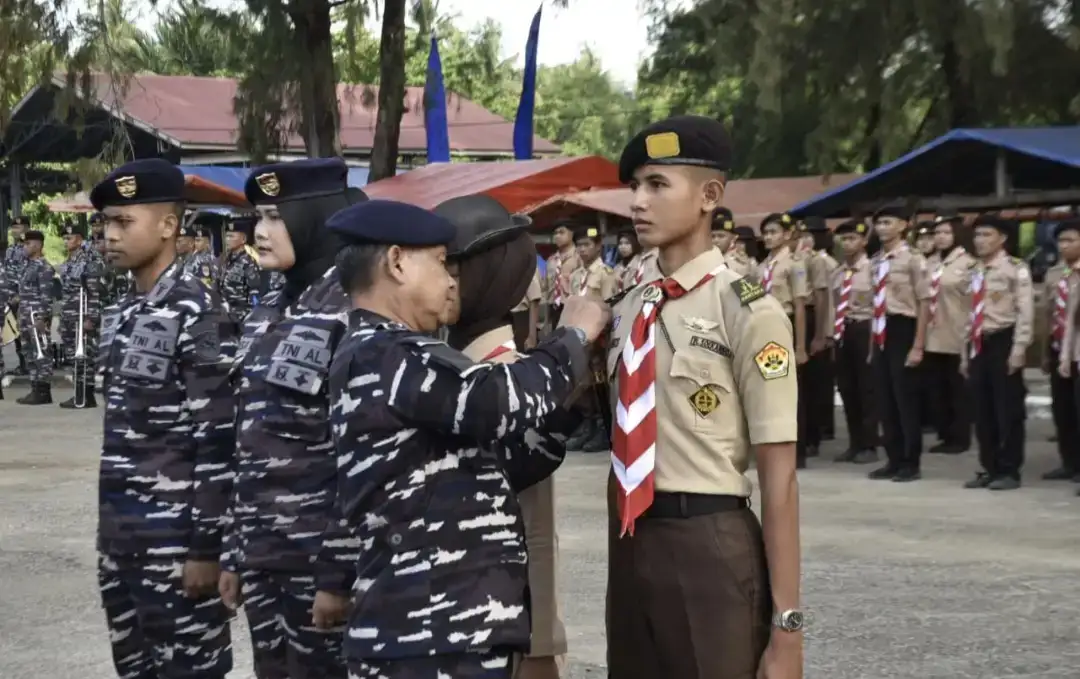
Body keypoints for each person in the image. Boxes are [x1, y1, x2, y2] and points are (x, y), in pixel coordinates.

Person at [314, 197, 606, 679]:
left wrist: (571, 407)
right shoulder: (389, 354)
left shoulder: (379, 353)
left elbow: (489, 460)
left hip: (440, 631)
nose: (452, 281)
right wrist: (573, 335)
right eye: (442, 263)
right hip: (429, 637)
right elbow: (493, 401)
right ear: (397, 262)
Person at [606, 115, 803, 679]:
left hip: (708, 542)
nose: (638, 202)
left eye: (657, 185)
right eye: (635, 186)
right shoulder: (629, 306)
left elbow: (780, 478)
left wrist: (787, 629)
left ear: (709, 196)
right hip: (630, 537)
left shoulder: (747, 310)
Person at [91, 158, 235, 679]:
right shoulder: (122, 314)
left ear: (169, 226)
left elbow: (218, 439)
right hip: (122, 540)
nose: (108, 235)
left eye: (123, 223)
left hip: (177, 547)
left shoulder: (199, 311)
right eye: (105, 223)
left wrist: (206, 548)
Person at [219, 158, 361, 679]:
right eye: (258, 216)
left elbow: (362, 456)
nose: (260, 231)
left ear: (316, 218)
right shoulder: (267, 311)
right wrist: (236, 553)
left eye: (276, 217)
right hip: (265, 560)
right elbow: (248, 442)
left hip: (320, 565)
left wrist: (337, 574)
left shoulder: (353, 311)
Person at [435, 194, 571, 679]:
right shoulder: (444, 370)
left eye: (449, 265)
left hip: (504, 637)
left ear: (485, 274)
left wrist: (538, 648)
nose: (438, 280)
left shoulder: (514, 380)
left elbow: (536, 531)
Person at [961, 214, 1033, 491]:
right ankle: (989, 466)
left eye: (986, 235)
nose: (980, 241)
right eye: (977, 235)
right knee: (982, 408)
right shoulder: (975, 270)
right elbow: (968, 314)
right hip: (979, 341)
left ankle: (1009, 469)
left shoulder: (1016, 268)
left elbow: (1024, 312)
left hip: (1004, 338)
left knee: (1008, 408)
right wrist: (964, 354)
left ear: (1002, 238)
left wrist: (1019, 348)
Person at [867, 204, 930, 482]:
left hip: (904, 327)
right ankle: (893, 458)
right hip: (881, 330)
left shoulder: (913, 259)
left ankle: (910, 462)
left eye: (888, 222)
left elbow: (925, 301)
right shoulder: (877, 260)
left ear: (904, 225)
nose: (882, 228)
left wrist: (918, 344)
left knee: (905, 399)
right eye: (879, 223)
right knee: (885, 399)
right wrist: (872, 347)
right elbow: (874, 305)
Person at [759, 212, 811, 467]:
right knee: (769, 389)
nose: (768, 237)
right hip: (763, 330)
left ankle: (796, 451)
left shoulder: (794, 264)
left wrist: (800, 346)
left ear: (787, 235)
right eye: (766, 233)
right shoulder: (762, 266)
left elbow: (800, 305)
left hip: (785, 326)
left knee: (788, 391)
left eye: (774, 232)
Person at [923, 214, 975, 454]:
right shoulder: (929, 262)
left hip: (957, 332)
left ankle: (960, 437)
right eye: (937, 233)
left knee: (958, 390)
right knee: (937, 389)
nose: (940, 237)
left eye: (946, 232)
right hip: (931, 333)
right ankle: (944, 433)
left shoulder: (968, 263)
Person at [831, 219, 879, 463]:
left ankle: (869, 444)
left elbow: (879, 305)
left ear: (864, 241)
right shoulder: (839, 272)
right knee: (847, 388)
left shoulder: (872, 269)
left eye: (852, 238)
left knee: (867, 388)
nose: (848, 243)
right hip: (843, 331)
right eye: (844, 239)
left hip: (864, 328)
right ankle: (855, 442)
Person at [568, 226, 618, 452]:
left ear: (598, 246)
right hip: (578, 335)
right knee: (581, 382)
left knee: (598, 382)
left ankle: (602, 427)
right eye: (579, 245)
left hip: (597, 337)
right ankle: (587, 424)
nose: (582, 249)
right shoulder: (577, 275)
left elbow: (610, 306)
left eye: (587, 245)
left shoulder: (605, 273)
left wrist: (603, 337)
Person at [801, 216, 838, 451]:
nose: (805, 240)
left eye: (809, 235)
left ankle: (814, 433)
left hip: (809, 318)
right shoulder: (774, 264)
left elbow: (824, 297)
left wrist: (823, 333)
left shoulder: (820, 262)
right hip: (779, 322)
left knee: (813, 383)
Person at [58, 220, 104, 409]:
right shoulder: (69, 260)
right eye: (64, 238)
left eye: (69, 238)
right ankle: (79, 392)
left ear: (79, 239)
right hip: (69, 314)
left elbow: (94, 292)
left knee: (86, 355)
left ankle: (87, 393)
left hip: (82, 314)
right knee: (72, 355)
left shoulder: (90, 261)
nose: (65, 241)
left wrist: (91, 318)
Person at [15, 229, 57, 405]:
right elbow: (23, 293)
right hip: (25, 315)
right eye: (24, 244)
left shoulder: (44, 267)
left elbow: (46, 295)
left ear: (38, 245)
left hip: (36, 316)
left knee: (42, 353)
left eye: (28, 243)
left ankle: (43, 390)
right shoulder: (27, 266)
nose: (25, 247)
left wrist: (43, 317)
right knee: (30, 353)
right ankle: (34, 389)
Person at [220, 213, 262, 327]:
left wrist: (250, 318)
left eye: (231, 236)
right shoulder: (227, 259)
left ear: (243, 239)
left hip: (241, 317)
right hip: (226, 315)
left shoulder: (249, 262)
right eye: (226, 236)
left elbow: (254, 293)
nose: (227, 240)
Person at [4, 215, 30, 377]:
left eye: (19, 227)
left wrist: (20, 295)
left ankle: (31, 363)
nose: (15, 231)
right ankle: (22, 363)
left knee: (27, 330)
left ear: (27, 228)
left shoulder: (30, 248)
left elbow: (30, 273)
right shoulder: (10, 250)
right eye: (13, 228)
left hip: (24, 296)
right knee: (15, 331)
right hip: (10, 295)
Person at [543, 218, 582, 328]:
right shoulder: (551, 260)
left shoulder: (579, 256)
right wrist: (546, 320)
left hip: (572, 307)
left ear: (572, 233)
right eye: (555, 233)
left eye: (561, 232)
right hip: (553, 308)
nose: (557, 236)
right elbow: (546, 290)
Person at [510, 265, 543, 351]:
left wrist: (532, 337)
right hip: (507, 322)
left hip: (522, 320)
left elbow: (534, 299)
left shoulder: (527, 261)